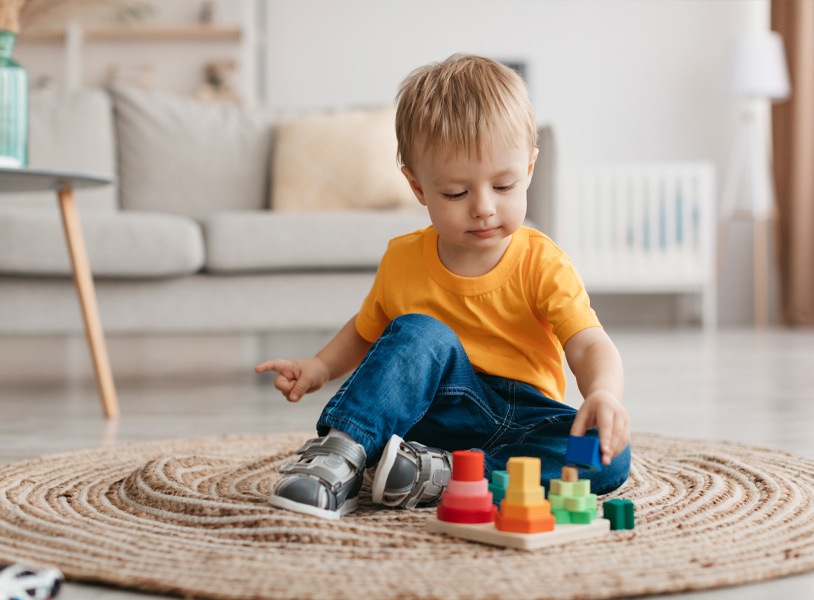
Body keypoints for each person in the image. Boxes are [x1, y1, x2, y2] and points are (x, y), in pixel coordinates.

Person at [255, 53, 631, 520]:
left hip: (523, 418)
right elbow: (365, 330)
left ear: (530, 169)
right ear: (417, 188)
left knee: (610, 457)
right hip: (433, 414)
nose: (483, 208)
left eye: (505, 185)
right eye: (456, 193)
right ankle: (340, 456)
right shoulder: (403, 258)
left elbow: (589, 342)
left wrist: (603, 394)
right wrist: (318, 365)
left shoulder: (541, 261)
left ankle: (446, 476)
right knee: (419, 331)